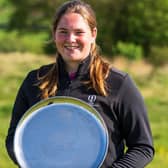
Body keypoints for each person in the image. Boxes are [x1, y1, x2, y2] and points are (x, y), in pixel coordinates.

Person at [6, 0, 154, 167]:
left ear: (93, 34)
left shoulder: (118, 83)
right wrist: (31, 162)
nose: (71, 39)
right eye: (63, 31)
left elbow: (142, 147)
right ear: (54, 33)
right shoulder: (34, 80)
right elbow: (15, 138)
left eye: (79, 32)